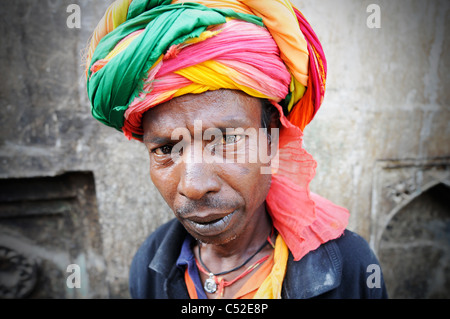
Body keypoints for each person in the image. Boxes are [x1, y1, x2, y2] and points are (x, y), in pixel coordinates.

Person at [85, 0, 388, 299]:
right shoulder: (149, 264)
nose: (194, 186)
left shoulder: (348, 267)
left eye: (227, 139)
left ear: (272, 140)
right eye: (166, 148)